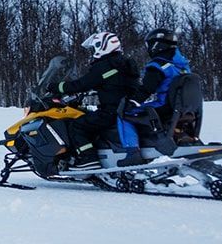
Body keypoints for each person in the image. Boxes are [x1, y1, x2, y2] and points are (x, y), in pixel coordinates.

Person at [48, 32, 139, 165]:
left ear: (102, 45)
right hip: (124, 109)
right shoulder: (124, 63)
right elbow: (114, 85)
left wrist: (55, 87)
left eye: (95, 47)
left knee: (77, 125)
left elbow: (81, 84)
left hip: (110, 111)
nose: (94, 51)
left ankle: (88, 158)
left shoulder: (105, 65)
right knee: (89, 118)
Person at [117, 29, 193, 163]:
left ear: (156, 45)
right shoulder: (182, 67)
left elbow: (147, 89)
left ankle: (132, 152)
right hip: (182, 108)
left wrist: (132, 101)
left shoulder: (158, 65)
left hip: (164, 105)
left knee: (124, 114)